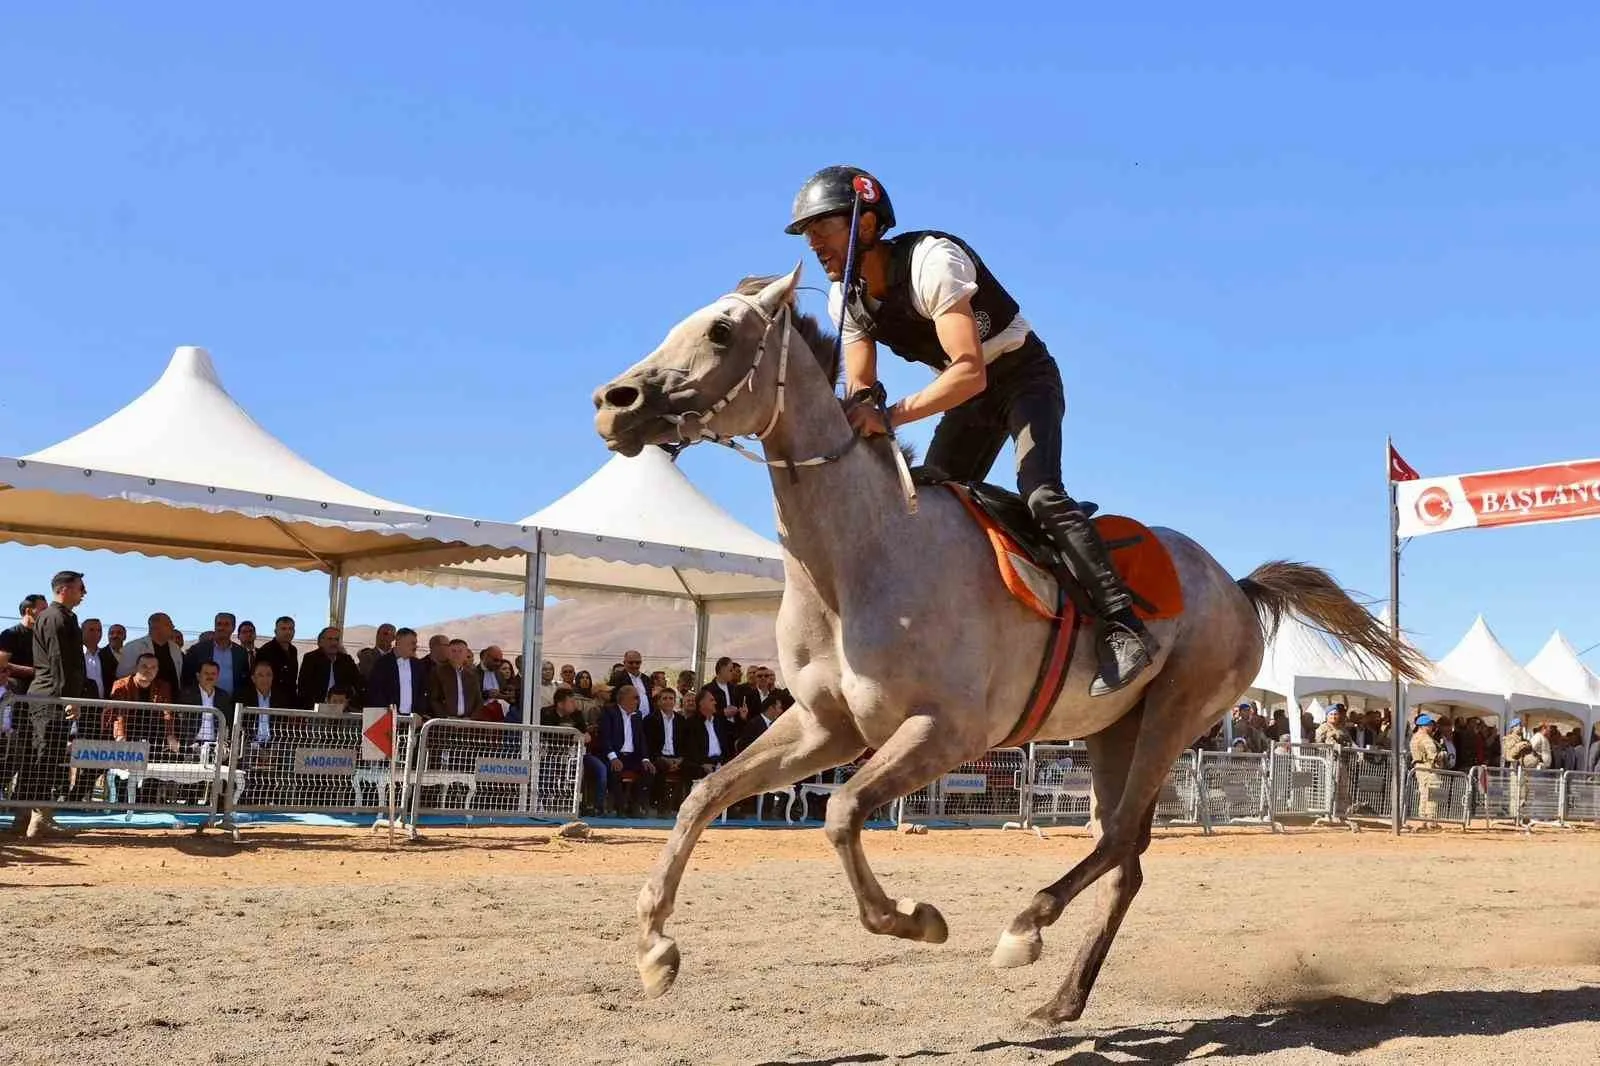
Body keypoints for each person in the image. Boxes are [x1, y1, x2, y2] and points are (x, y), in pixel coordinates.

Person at [786, 165, 1156, 695]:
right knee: (924, 499)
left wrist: (890, 418)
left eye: (824, 227)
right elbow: (862, 385)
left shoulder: (933, 261)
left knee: (1042, 494)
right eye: (808, 233)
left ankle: (1124, 625)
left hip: (1023, 379)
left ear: (866, 224)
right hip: (971, 399)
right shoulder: (844, 296)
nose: (814, 243)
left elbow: (969, 370)